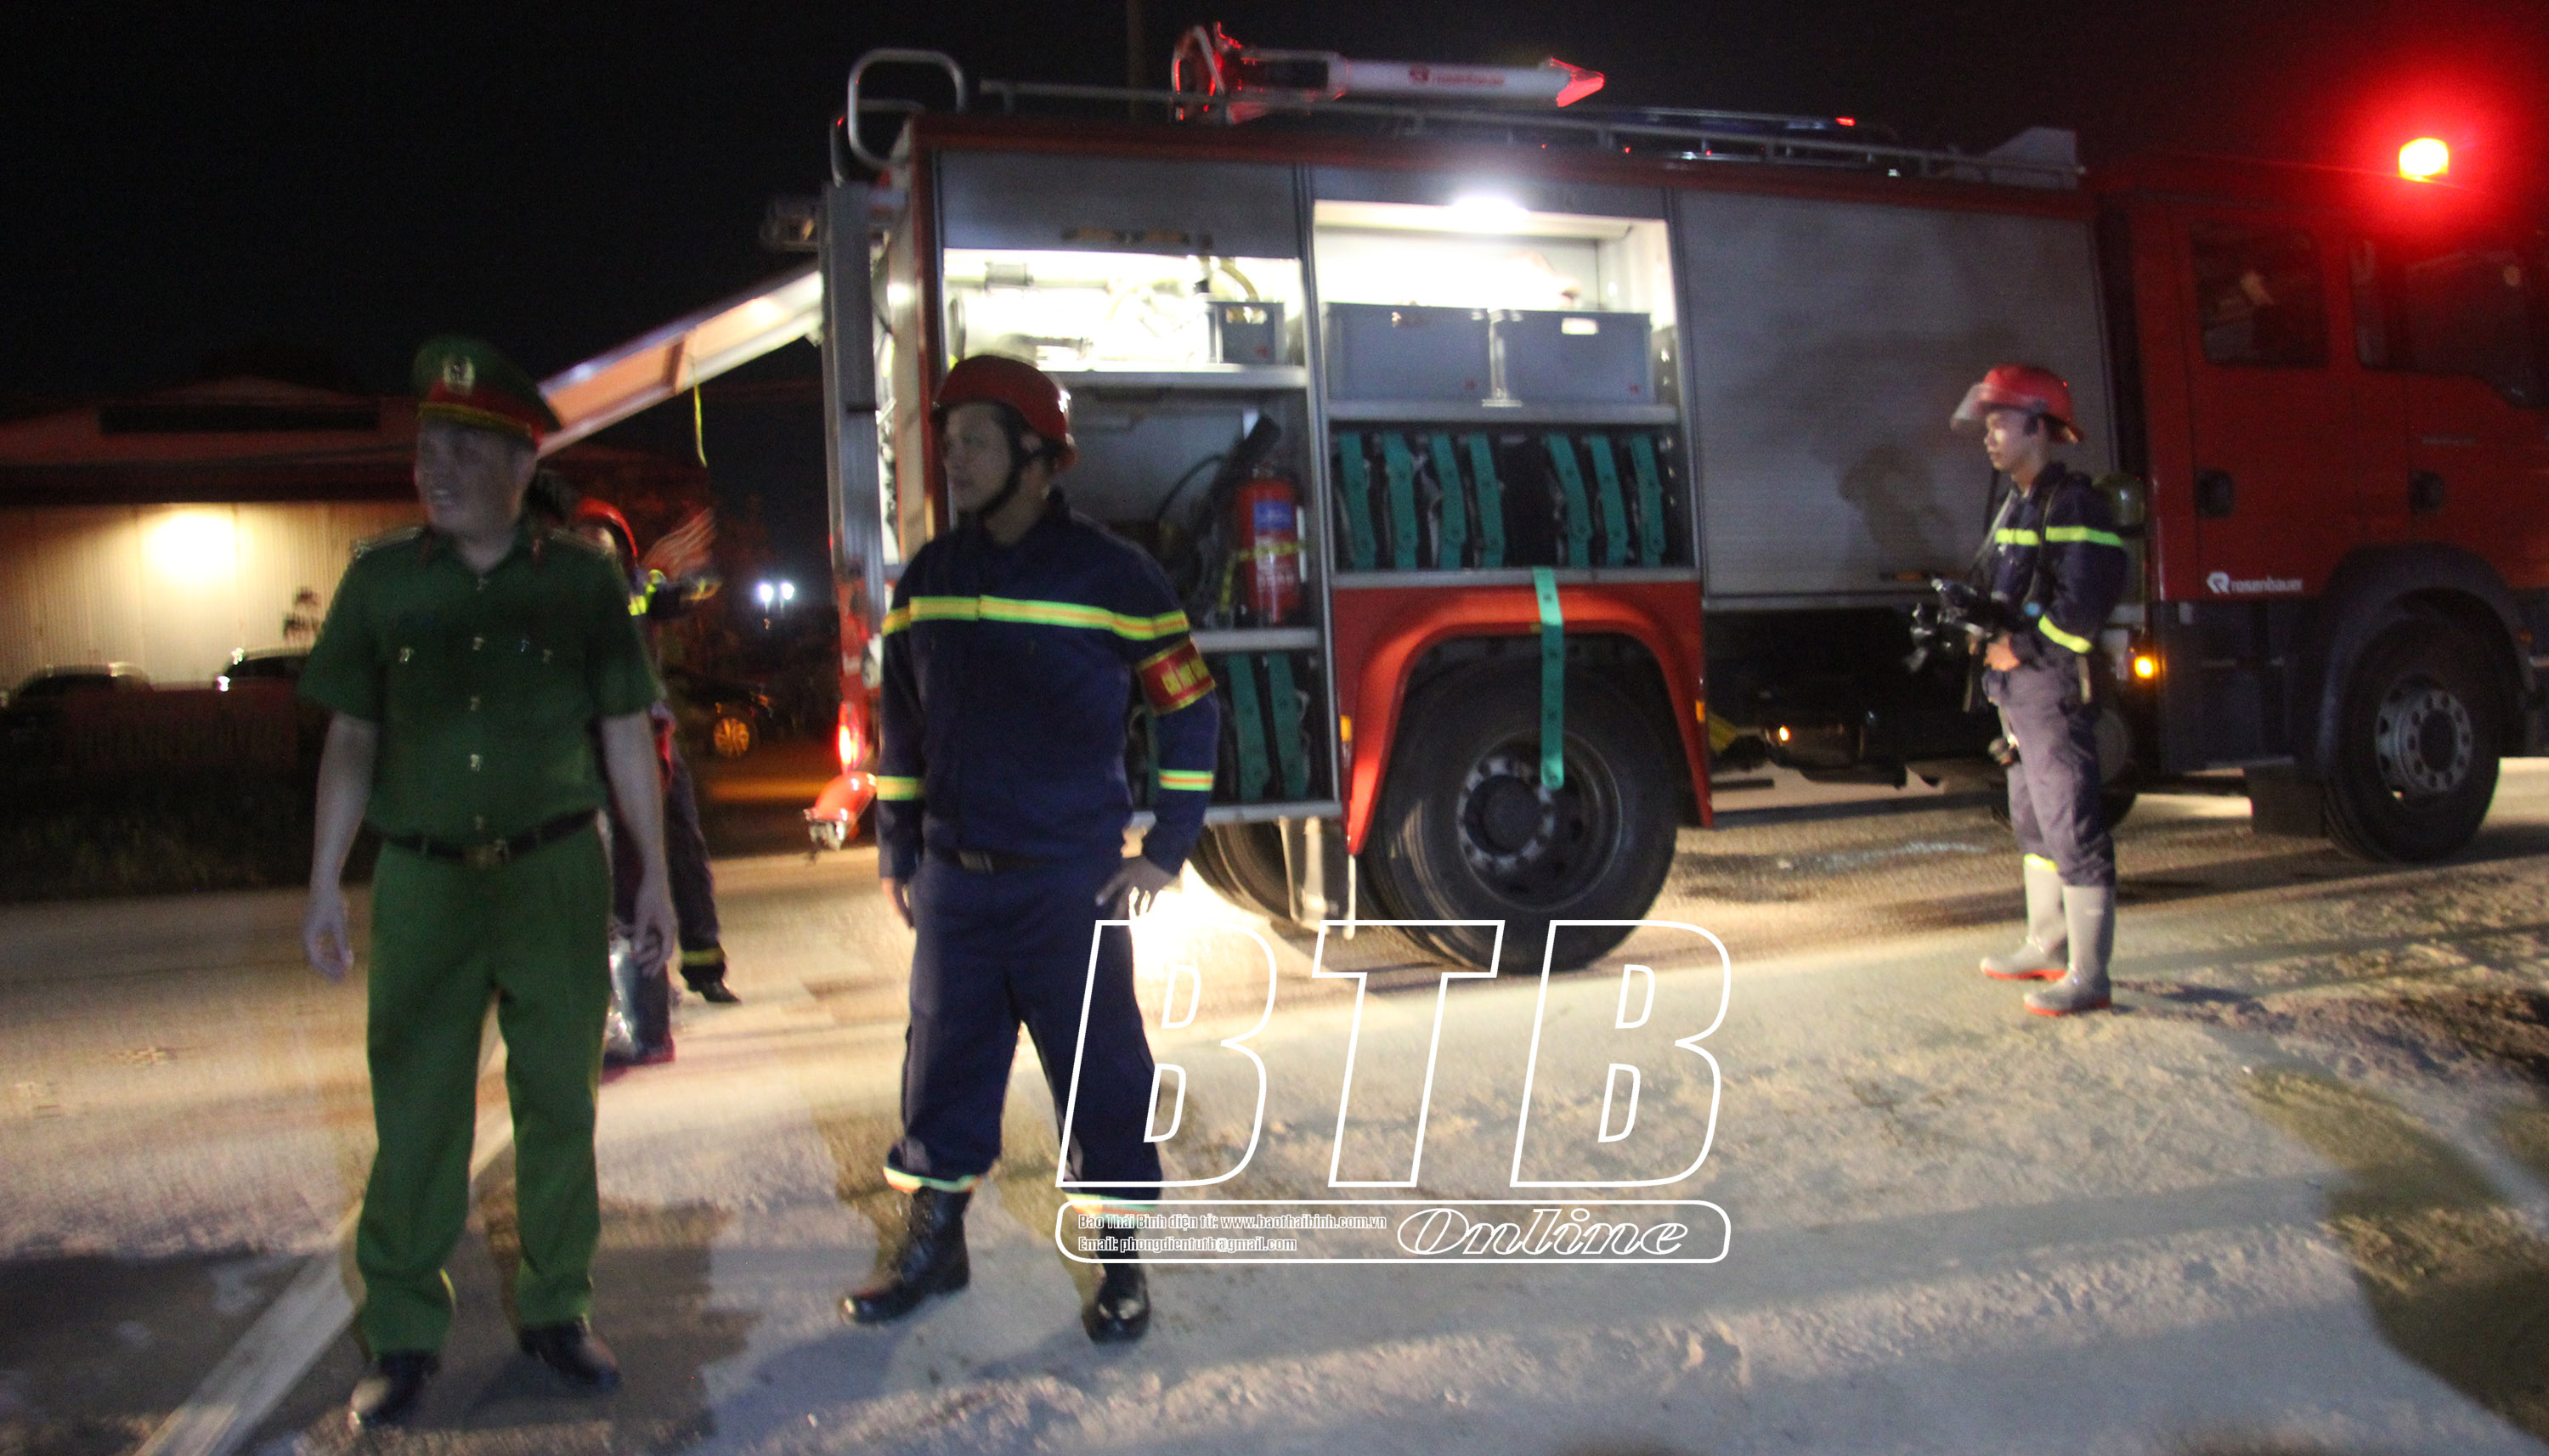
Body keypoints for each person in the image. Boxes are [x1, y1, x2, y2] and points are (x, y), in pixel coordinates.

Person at [298, 337, 675, 1427]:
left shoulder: (583, 584)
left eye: (467, 448)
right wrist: (324, 880)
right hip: (424, 882)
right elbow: (352, 737)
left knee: (559, 1099)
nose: (439, 467)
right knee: (416, 1110)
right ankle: (404, 1333)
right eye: (429, 447)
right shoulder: (381, 583)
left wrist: (653, 876)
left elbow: (624, 731)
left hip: (554, 872)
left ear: (523, 464)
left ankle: (558, 1308)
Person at [847, 354, 1220, 1344]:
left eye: (975, 439)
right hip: (956, 883)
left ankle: (1120, 1264)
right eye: (947, 439)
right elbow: (902, 727)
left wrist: (1167, 848)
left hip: (1070, 884)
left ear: (1037, 455)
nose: (953, 457)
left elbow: (1190, 707)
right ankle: (936, 1245)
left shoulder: (1114, 574)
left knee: (1102, 1075)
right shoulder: (931, 578)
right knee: (942, 1071)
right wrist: (897, 848)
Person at [1951, 364, 2130, 1016]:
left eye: (1999, 422)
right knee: (2031, 820)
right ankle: (2046, 944)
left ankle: (2090, 974)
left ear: (2037, 426)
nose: (1989, 437)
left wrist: (2019, 648)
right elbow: (2012, 592)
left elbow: (2082, 606)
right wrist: (1982, 630)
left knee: (2069, 821)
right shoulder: (2021, 503)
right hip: (2016, 688)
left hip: (2049, 684)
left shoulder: (2072, 504)